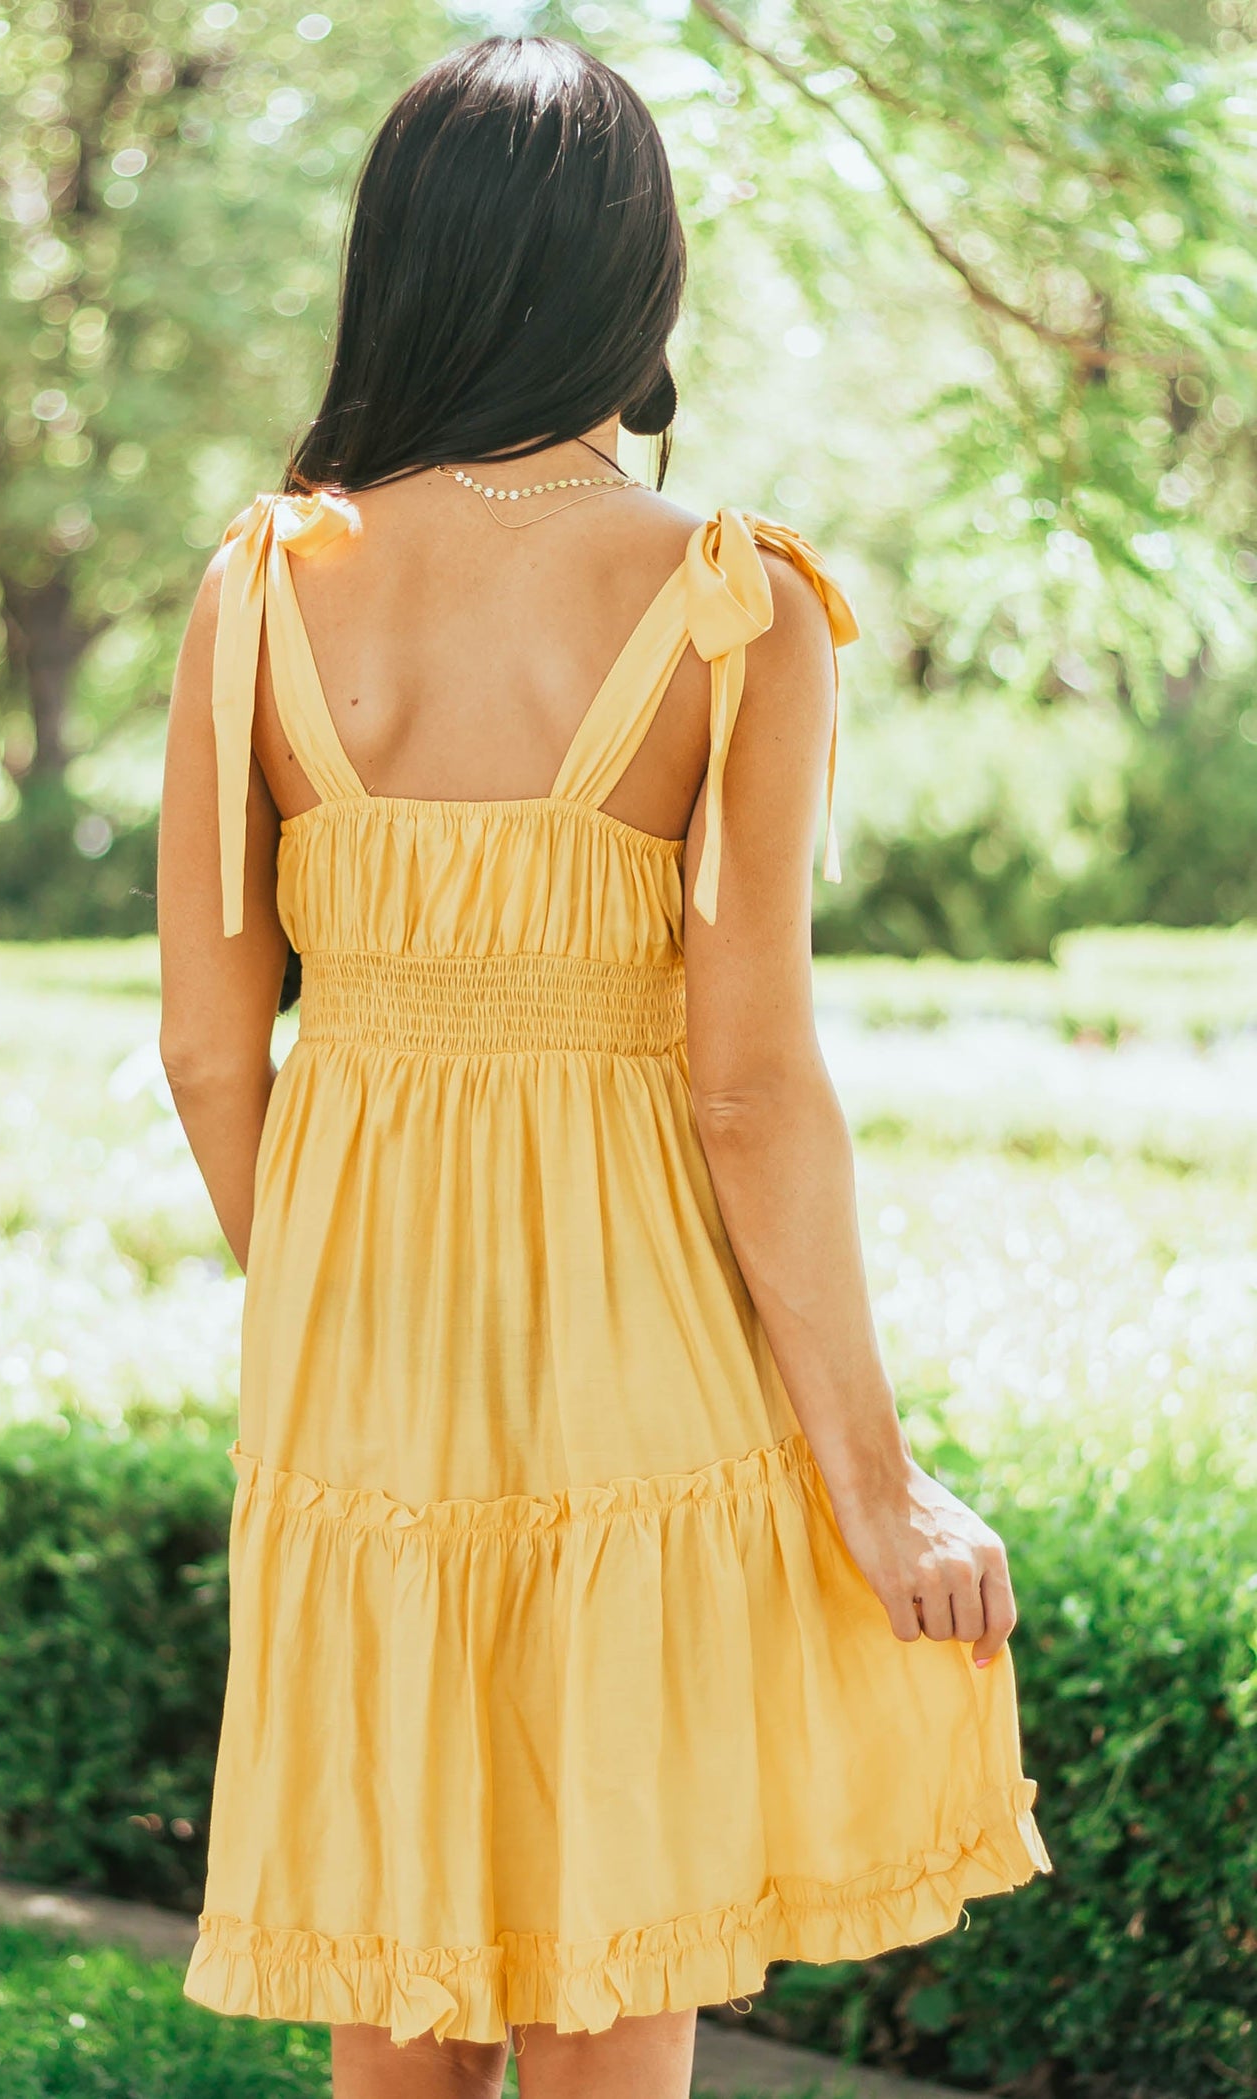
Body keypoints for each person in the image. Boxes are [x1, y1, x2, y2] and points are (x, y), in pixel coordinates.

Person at [156, 31, 1051, 2099]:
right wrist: (876, 1481)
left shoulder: (255, 595)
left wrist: (333, 1305)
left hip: (356, 1356)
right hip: (641, 1342)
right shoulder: (726, 602)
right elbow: (748, 1086)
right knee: (612, 1964)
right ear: (632, 283)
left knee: (389, 1971)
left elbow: (214, 1057)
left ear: (404, 272)